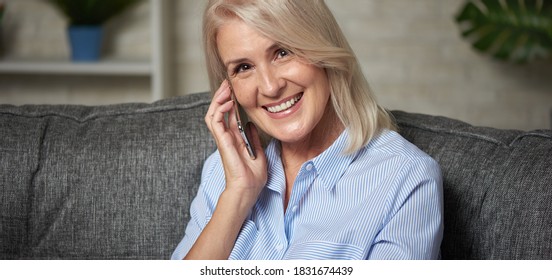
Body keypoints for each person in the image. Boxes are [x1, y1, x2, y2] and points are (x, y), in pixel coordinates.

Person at [172, 0, 443, 260]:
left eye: (282, 52)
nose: (269, 87)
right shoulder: (222, 174)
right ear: (228, 88)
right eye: (244, 67)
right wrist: (238, 194)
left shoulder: (405, 178)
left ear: (322, 49)